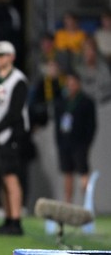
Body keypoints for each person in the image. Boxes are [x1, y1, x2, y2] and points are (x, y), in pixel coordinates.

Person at [0, 41, 29, 236]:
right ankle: (8, 219)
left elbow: (14, 113)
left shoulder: (18, 80)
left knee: (11, 177)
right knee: (3, 178)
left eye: (2, 55)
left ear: (12, 57)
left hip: (13, 135)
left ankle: (16, 221)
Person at [54, 72, 96, 204]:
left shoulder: (86, 102)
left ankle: (88, 203)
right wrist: (59, 142)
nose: (70, 86)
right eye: (68, 83)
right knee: (67, 173)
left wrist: (86, 143)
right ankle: (68, 202)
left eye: (73, 83)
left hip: (80, 143)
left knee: (83, 172)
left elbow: (91, 125)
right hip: (65, 143)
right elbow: (57, 125)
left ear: (78, 84)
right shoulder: (61, 102)